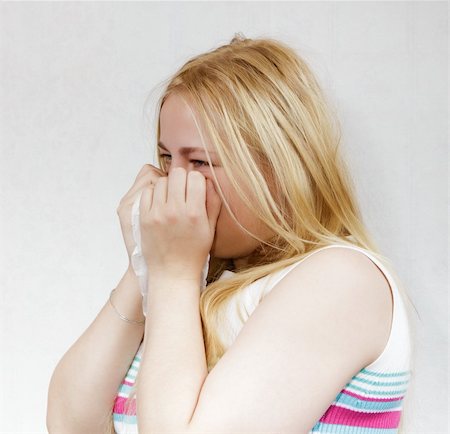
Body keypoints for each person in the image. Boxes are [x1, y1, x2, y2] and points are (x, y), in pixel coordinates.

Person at [47, 33, 415, 434]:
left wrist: (171, 275)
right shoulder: (191, 290)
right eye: (168, 159)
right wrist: (145, 264)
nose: (174, 185)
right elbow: (71, 423)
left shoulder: (342, 280)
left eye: (201, 162)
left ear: (281, 166)